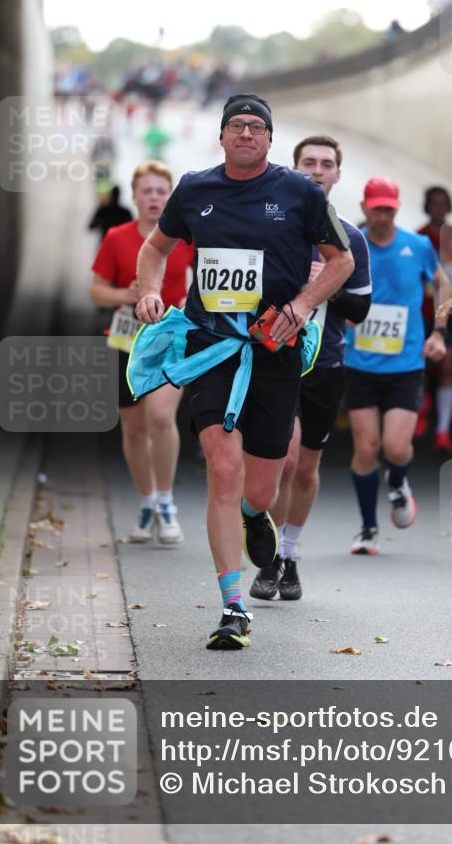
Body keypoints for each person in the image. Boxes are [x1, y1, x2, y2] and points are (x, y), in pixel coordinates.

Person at [134, 94, 354, 650]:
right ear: (223, 134)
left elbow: (342, 260)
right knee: (222, 470)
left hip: (274, 350)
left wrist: (302, 307)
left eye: (257, 127)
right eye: (238, 125)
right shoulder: (196, 188)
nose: (247, 134)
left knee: (263, 481)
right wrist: (151, 291)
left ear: (270, 138)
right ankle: (234, 608)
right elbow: (154, 248)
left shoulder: (299, 193)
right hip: (212, 348)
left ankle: (259, 516)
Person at [249, 135, 371, 602]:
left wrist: (328, 286)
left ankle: (291, 555)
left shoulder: (351, 238)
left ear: (337, 174)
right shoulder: (273, 227)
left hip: (326, 362)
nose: (317, 170)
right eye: (308, 162)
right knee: (286, 458)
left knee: (306, 468)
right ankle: (271, 554)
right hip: (275, 356)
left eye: (326, 164)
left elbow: (360, 311)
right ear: (294, 168)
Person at [344, 176, 449, 555]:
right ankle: (368, 528)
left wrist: (438, 333)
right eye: (377, 208)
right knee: (367, 448)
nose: (383, 215)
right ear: (364, 207)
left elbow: (445, 286)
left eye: (389, 208)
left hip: (405, 364)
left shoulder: (417, 245)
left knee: (396, 447)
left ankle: (399, 482)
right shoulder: (350, 243)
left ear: (397, 208)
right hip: (359, 363)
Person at [90, 160, 194, 544]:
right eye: (147, 191)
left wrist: (191, 300)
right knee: (133, 427)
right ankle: (147, 501)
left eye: (161, 191)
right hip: (126, 339)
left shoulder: (186, 237)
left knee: (161, 417)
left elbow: (205, 279)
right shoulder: (117, 237)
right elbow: (96, 289)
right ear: (134, 196)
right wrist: (124, 295)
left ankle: (167, 501)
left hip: (171, 340)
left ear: (171, 197)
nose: (154, 198)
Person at [417, 185, 452, 451]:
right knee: (425, 367)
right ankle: (422, 405)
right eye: (434, 203)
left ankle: (443, 432)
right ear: (427, 206)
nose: (439, 208)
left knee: (448, 367)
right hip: (425, 312)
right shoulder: (420, 238)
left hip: (450, 311)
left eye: (443, 203)